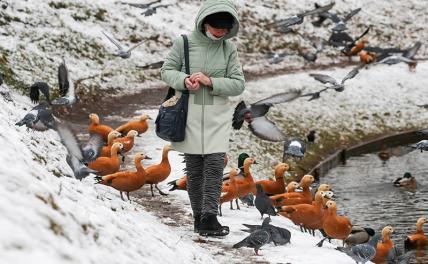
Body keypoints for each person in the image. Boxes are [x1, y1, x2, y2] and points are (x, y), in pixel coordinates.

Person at [161, 0, 245, 236]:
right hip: (188, 115)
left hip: (218, 116)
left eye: (225, 30)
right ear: (205, 23)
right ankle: (200, 219)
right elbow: (167, 71)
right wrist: (184, 80)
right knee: (195, 169)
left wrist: (212, 82)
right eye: (217, 28)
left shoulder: (229, 49)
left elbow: (239, 84)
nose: (221, 33)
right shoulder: (184, 43)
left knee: (215, 165)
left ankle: (210, 216)